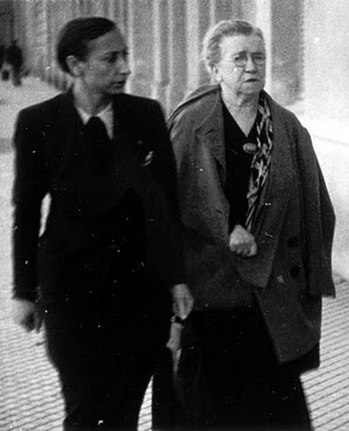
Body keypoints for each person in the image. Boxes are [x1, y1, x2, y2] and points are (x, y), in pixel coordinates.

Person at [11, 17, 193, 430]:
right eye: (111, 59)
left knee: (125, 407)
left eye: (125, 56)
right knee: (83, 405)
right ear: (75, 65)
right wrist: (23, 291)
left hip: (138, 292)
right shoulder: (38, 122)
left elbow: (164, 206)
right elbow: (25, 210)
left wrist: (176, 279)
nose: (125, 68)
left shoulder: (146, 115)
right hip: (70, 293)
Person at [167, 18, 335, 430]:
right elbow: (165, 207)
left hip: (270, 294)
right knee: (211, 410)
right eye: (238, 58)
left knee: (278, 413)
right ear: (215, 68)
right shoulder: (191, 124)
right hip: (211, 290)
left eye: (258, 56)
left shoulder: (287, 127)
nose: (250, 66)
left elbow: (319, 209)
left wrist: (309, 286)